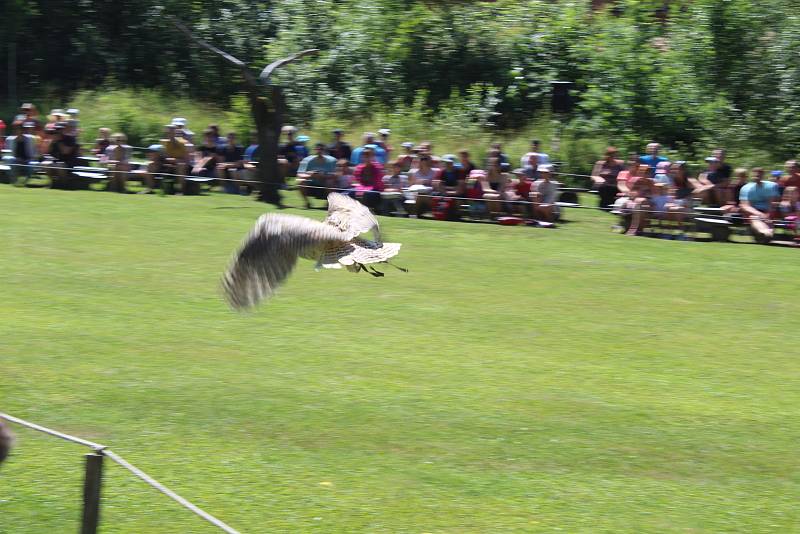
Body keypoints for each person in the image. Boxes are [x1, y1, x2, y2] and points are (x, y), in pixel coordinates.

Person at [739, 167, 780, 243]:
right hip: (753, 212)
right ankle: (765, 232)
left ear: (763, 176)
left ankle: (767, 234)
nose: (757, 177)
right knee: (754, 218)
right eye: (755, 175)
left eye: (759, 175)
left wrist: (768, 214)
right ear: (752, 176)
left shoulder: (771, 186)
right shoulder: (746, 188)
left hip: (767, 211)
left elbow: (772, 203)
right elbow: (745, 206)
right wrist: (760, 214)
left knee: (769, 219)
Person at [297, 143, 337, 208]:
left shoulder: (332, 161)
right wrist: (310, 175)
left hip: (325, 182)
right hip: (311, 181)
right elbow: (299, 174)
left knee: (330, 182)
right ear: (315, 150)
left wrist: (323, 176)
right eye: (317, 149)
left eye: (321, 149)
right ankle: (307, 203)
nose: (319, 151)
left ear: (325, 151)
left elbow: (335, 175)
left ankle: (328, 204)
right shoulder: (307, 160)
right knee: (301, 181)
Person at [161, 124, 191, 192]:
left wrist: (175, 160)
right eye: (168, 132)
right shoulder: (164, 142)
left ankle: (181, 190)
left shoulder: (183, 142)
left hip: (182, 164)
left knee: (181, 166)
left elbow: (187, 160)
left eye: (171, 132)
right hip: (168, 163)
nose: (169, 134)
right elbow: (163, 156)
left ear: (175, 132)